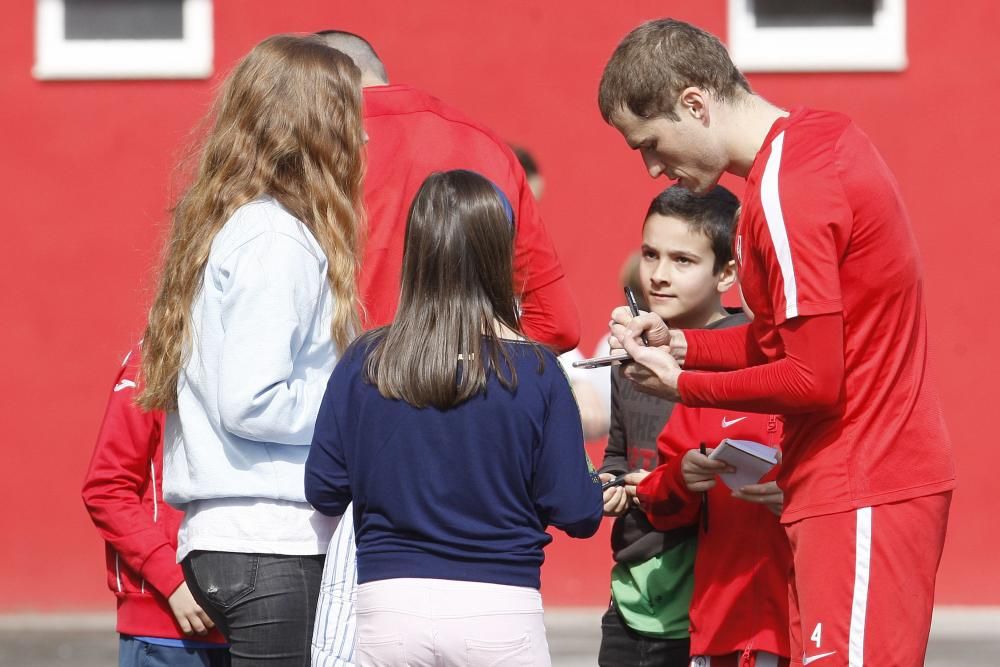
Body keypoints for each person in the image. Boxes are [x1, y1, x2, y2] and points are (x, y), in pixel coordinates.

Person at [599, 18, 956, 666]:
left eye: (650, 143)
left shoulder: (786, 187)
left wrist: (683, 385)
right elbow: (778, 343)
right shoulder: (813, 144)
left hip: (862, 480)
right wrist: (685, 348)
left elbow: (813, 379)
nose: (654, 167)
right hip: (851, 483)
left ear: (694, 103)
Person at [309, 30, 583, 665]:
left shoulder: (307, 148)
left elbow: (323, 484)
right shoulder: (484, 146)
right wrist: (487, 395)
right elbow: (557, 322)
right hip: (496, 571)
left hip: (367, 522)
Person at [138, 35, 366, 666]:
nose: (364, 139)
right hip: (270, 540)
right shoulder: (276, 238)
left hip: (246, 537)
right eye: (353, 117)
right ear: (318, 126)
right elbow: (252, 399)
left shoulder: (243, 227)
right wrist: (357, 399)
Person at [316, 30, 580, 353]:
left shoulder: (316, 147)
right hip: (466, 389)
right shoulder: (489, 146)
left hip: (353, 385)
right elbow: (557, 324)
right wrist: (465, 363)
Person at [597, 185, 745, 666]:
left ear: (726, 272)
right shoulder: (634, 358)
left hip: (716, 604)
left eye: (682, 260)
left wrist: (681, 481)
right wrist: (610, 485)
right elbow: (618, 455)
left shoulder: (749, 356)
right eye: (650, 254)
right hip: (631, 601)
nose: (658, 275)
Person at [82, 344, 229, 667]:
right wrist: (172, 581)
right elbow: (107, 489)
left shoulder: (269, 351)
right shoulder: (155, 359)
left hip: (255, 620)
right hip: (167, 624)